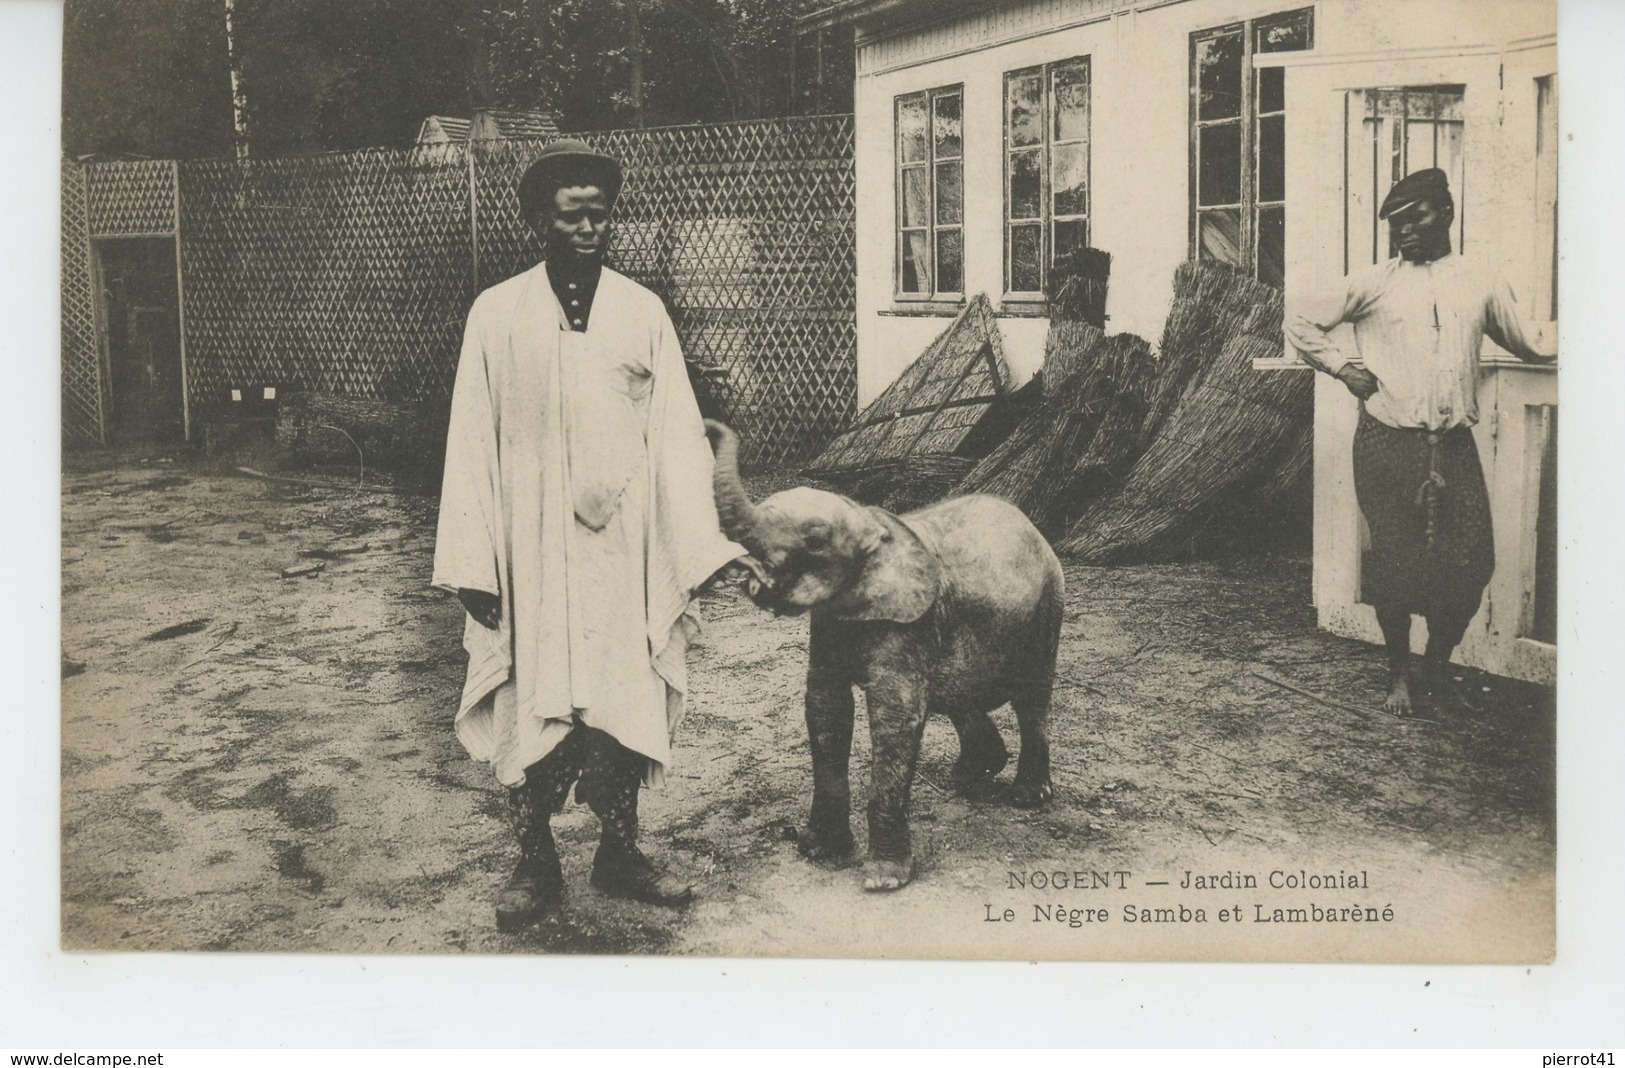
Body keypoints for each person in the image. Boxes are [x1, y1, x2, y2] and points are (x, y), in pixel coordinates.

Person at [431, 139, 743, 930]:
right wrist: (474, 563)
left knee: (622, 693)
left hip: (624, 546)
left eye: (600, 215)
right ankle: (534, 864)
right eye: (572, 215)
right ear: (538, 219)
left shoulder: (642, 311)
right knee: (533, 695)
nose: (589, 229)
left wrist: (695, 548)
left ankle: (622, 852)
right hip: (528, 542)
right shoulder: (495, 313)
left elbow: (675, 433)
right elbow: (470, 435)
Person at [1286, 167, 1555, 716]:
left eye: (1417, 218)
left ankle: (1437, 665)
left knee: (1472, 563)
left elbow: (1528, 342)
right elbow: (1299, 321)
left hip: (1452, 444)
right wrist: (1343, 369)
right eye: (1396, 223)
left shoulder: (1479, 279)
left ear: (1447, 213)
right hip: (1387, 442)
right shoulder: (1374, 282)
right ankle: (1399, 675)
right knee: (1396, 562)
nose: (1405, 231)